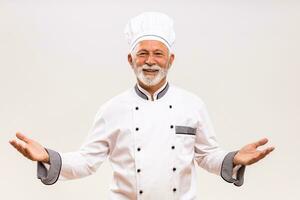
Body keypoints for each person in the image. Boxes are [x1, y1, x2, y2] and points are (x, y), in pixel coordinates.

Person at [9, 12, 274, 200]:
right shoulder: (112, 109)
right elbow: (87, 161)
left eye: (158, 54)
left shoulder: (192, 105)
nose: (150, 61)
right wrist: (47, 156)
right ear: (130, 59)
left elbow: (206, 156)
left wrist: (234, 158)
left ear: (170, 60)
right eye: (142, 54)